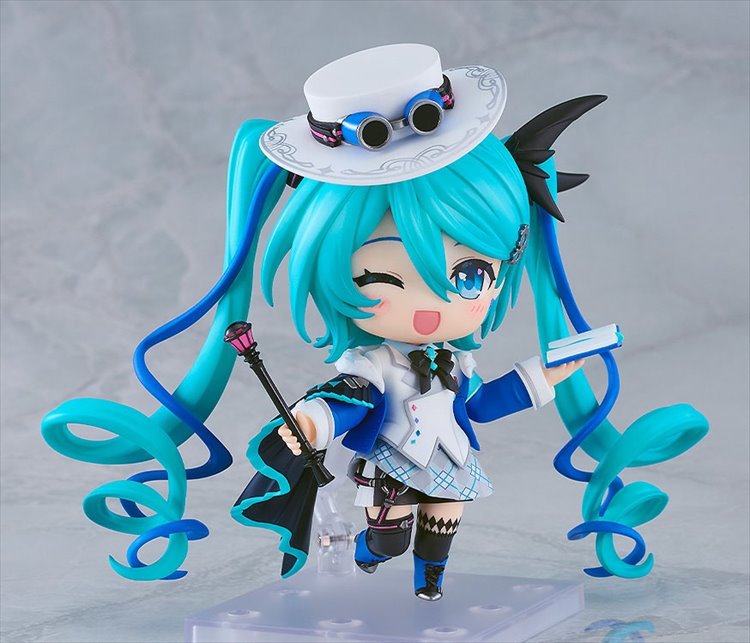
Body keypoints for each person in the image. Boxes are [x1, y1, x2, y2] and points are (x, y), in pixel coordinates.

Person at [42, 44, 708, 594]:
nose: (431, 307)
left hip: (453, 459)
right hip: (391, 464)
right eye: (383, 279)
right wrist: (309, 421)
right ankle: (369, 556)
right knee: (388, 536)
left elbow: (486, 403)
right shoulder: (373, 364)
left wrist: (553, 371)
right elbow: (347, 398)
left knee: (445, 522)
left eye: (469, 276)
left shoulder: (456, 363)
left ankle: (430, 588)